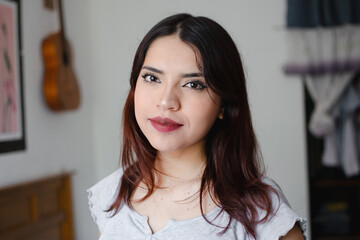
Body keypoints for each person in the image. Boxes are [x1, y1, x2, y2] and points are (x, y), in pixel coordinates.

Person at [87, 13, 307, 240]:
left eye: (193, 84)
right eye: (152, 78)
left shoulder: (260, 210)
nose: (166, 101)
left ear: (224, 104)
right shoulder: (113, 193)